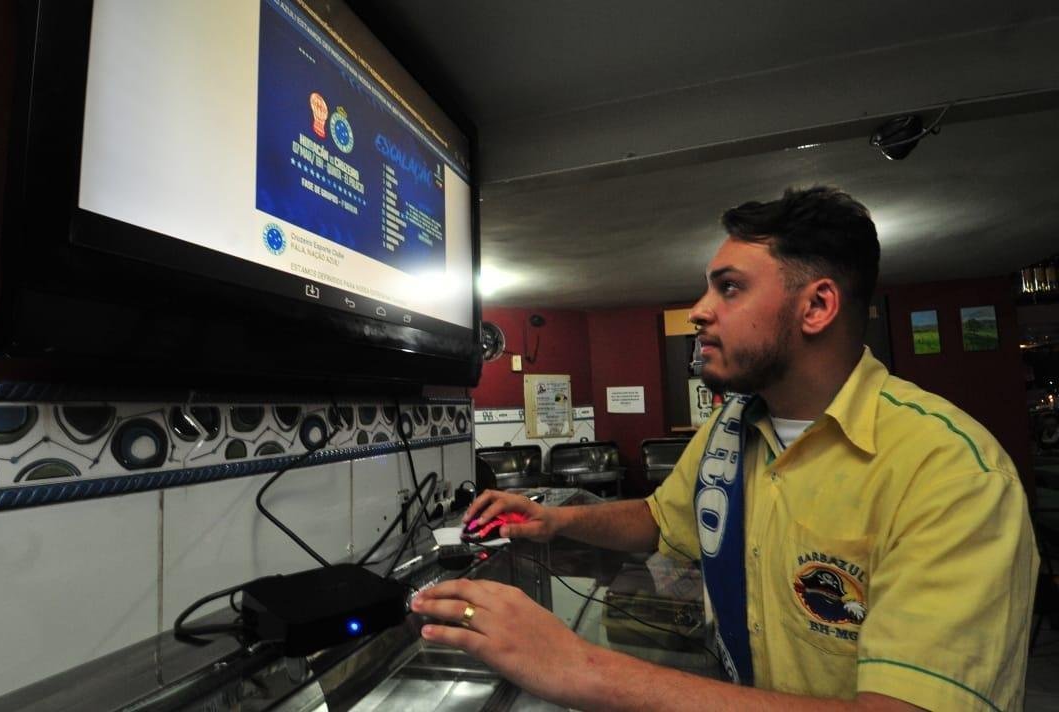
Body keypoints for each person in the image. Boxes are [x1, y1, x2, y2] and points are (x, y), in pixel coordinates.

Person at [410, 187, 1038, 711]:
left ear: (817, 305)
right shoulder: (732, 426)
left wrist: (581, 668)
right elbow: (663, 520)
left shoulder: (951, 472)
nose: (701, 310)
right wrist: (555, 520)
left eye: (729, 288)